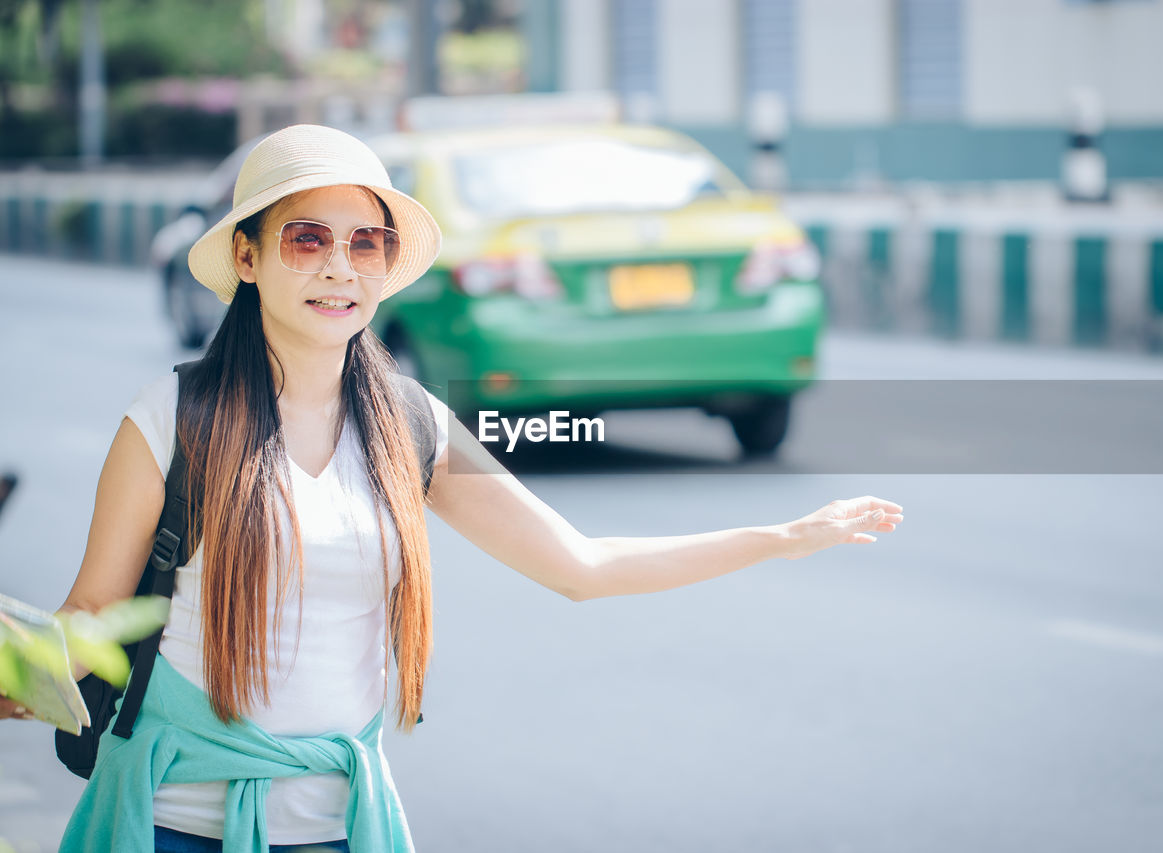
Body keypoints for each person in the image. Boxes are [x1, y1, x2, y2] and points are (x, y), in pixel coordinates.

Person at [0, 124, 903, 852]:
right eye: (307, 239)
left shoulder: (411, 423)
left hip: (338, 830)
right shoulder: (167, 418)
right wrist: (18, 671)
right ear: (247, 258)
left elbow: (582, 564)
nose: (340, 269)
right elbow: (91, 620)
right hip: (172, 826)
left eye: (366, 244)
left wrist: (780, 537)